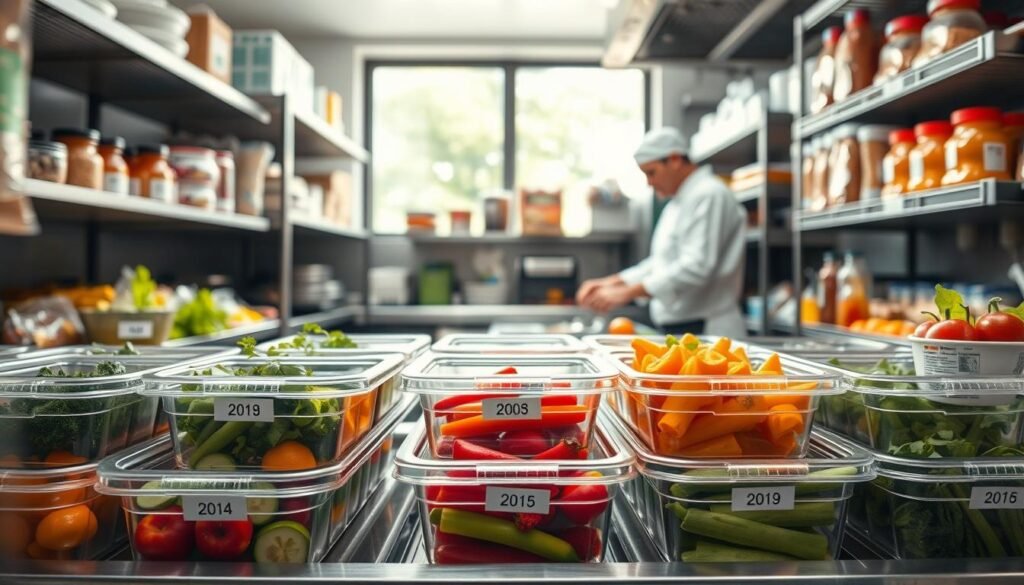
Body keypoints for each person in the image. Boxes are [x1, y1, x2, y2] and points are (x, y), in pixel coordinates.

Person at [576, 127, 746, 338]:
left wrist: (628, 292)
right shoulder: (677, 203)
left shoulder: (709, 194)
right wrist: (613, 282)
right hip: (686, 328)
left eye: (651, 172)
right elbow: (660, 264)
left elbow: (696, 266)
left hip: (708, 329)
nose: (649, 183)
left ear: (674, 159)